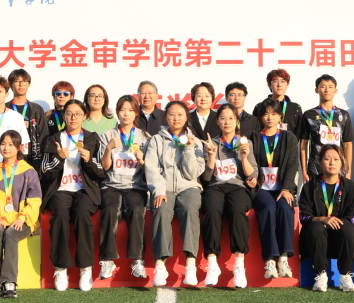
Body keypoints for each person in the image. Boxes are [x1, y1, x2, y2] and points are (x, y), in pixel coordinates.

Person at [40, 99, 105, 292]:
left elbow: (101, 171)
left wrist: (89, 160)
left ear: (84, 116)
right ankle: (60, 268)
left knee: (82, 214)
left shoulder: (92, 138)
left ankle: (86, 268)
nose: (73, 117)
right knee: (60, 214)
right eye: (69, 113)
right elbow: (44, 171)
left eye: (77, 113)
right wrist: (59, 158)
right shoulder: (54, 139)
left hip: (84, 190)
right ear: (64, 116)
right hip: (60, 189)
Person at [144, 100, 206, 287]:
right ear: (166, 117)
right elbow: (151, 168)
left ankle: (190, 263)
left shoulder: (194, 141)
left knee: (190, 208)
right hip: (164, 187)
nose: (176, 118)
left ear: (186, 118)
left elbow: (192, 173)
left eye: (180, 115)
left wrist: (188, 148)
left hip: (188, 187)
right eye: (171, 114)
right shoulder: (156, 140)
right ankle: (160, 265)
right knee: (161, 209)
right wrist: (159, 190)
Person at [200, 104, 258, 288]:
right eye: (223, 118)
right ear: (217, 121)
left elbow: (252, 174)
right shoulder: (211, 143)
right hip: (216, 187)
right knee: (211, 209)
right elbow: (206, 178)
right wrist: (211, 156)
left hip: (237, 187)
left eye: (231, 118)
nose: (227, 122)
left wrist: (244, 157)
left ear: (237, 121)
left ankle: (239, 265)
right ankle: (212, 264)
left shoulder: (245, 143)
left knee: (237, 210)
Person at [0, 130, 42, 299]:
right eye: (3, 144)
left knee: (10, 233)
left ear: (19, 147)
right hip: (0, 219)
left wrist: (22, 218)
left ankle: (9, 282)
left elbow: (35, 200)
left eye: (10, 144)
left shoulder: (29, 171)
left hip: (23, 221)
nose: (6, 148)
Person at [98, 95, 151, 280]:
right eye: (122, 110)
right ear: (117, 112)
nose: (126, 114)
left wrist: (142, 160)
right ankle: (107, 260)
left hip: (135, 187)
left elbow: (149, 169)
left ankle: (138, 260)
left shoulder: (145, 137)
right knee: (110, 209)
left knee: (137, 209)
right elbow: (105, 167)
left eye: (130, 110)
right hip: (111, 185)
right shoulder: (107, 135)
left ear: (136, 113)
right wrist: (108, 149)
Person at [299, 145, 354, 293]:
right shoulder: (309, 187)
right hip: (316, 241)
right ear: (320, 162)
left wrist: (338, 222)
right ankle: (320, 274)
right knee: (316, 227)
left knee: (347, 227)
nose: (332, 163)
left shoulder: (351, 186)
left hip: (341, 240)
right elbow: (304, 216)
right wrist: (322, 219)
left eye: (336, 159)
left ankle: (345, 275)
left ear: (342, 163)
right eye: (327, 159)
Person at [251, 99, 299, 279]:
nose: (269, 117)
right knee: (268, 207)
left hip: (282, 188)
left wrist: (286, 188)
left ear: (280, 116)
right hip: (261, 188)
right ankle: (270, 259)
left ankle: (284, 258)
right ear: (260, 117)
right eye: (265, 114)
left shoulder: (289, 137)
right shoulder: (253, 137)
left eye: (274, 113)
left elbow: (292, 165)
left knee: (285, 208)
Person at [298, 74, 354, 182]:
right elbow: (303, 144)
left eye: (330, 87)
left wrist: (349, 170)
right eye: (323, 86)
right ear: (317, 90)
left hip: (338, 168)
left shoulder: (344, 115)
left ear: (335, 90)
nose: (327, 90)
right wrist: (304, 171)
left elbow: (348, 144)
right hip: (315, 168)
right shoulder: (309, 115)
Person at [7, 68, 45, 170]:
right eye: (17, 81)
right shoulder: (5, 109)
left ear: (29, 84)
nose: (21, 84)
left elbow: (43, 136)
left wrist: (42, 164)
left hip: (33, 157)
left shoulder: (37, 109)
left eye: (24, 81)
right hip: (10, 156)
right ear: (10, 84)